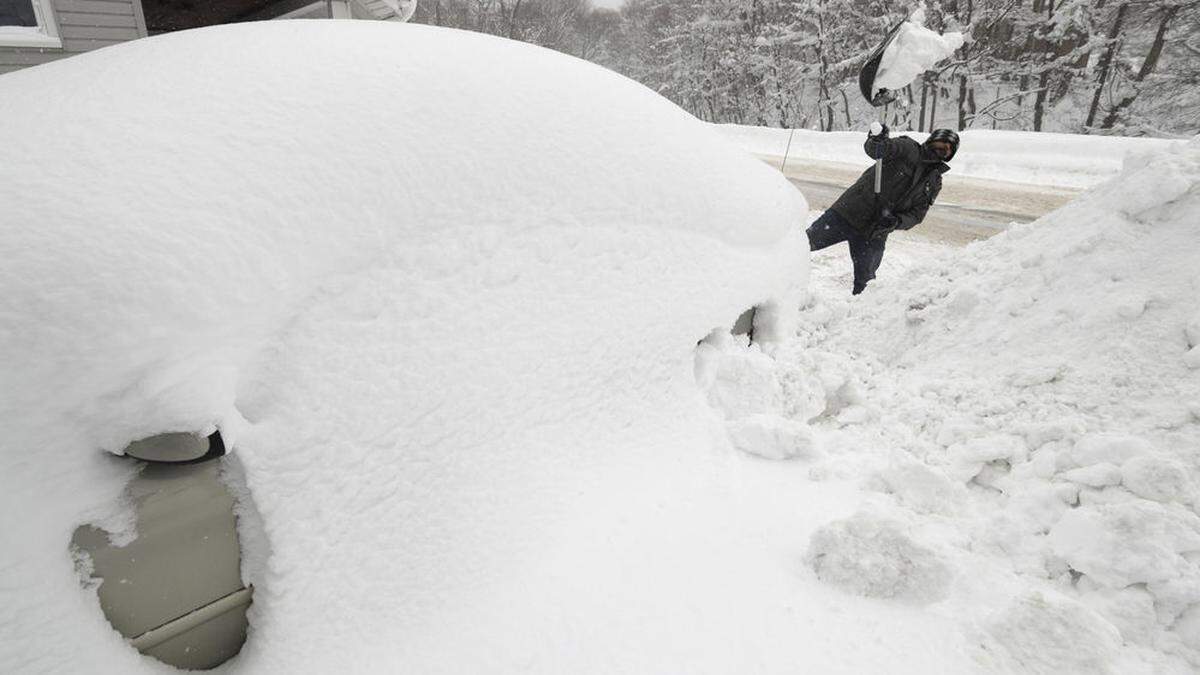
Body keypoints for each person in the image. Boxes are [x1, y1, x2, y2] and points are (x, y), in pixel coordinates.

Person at [807, 124, 958, 294]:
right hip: (847, 214)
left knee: (866, 285)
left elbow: (916, 215)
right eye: (940, 144)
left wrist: (895, 222)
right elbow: (877, 150)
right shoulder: (907, 148)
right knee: (803, 245)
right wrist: (877, 139)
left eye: (947, 149)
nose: (942, 150)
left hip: (875, 232)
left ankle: (857, 316)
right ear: (931, 141)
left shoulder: (934, 182)